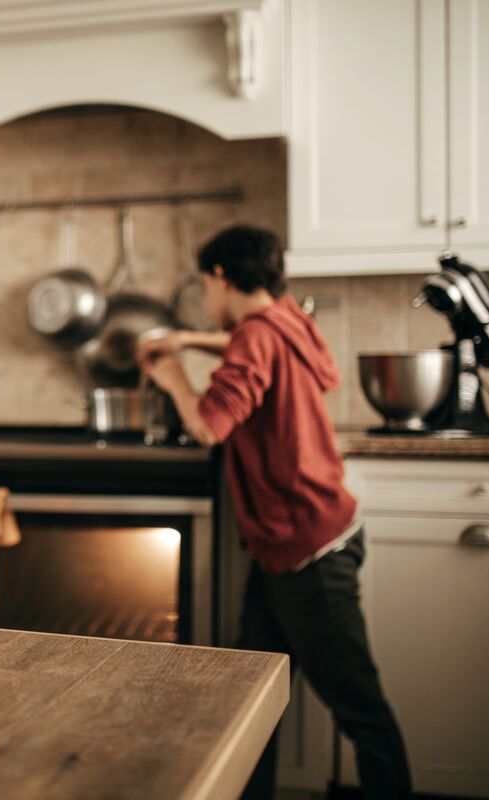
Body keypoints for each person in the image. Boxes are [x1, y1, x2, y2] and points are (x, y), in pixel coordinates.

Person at [138, 225, 412, 799]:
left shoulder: (255, 336)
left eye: (205, 286)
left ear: (219, 277)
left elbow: (209, 425)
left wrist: (172, 377)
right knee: (251, 697)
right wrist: (190, 338)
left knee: (361, 710)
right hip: (298, 544)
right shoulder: (289, 320)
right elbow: (276, 352)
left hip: (306, 547)